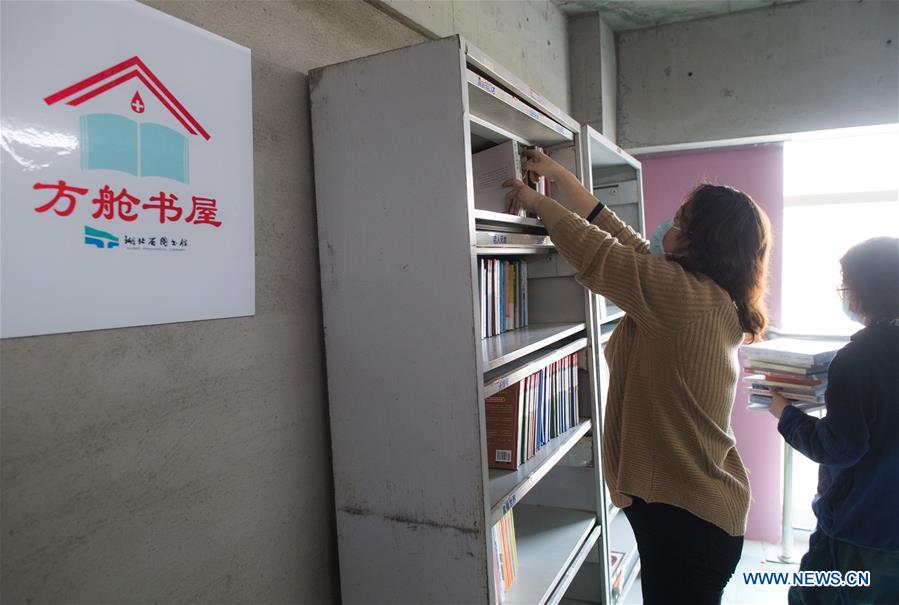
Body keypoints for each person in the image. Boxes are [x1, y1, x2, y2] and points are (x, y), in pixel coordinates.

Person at [503, 149, 772, 605]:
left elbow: (599, 252)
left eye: (681, 222)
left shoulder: (685, 298)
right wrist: (560, 177)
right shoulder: (701, 293)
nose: (669, 225)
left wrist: (538, 202)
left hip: (688, 520)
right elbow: (621, 238)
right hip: (690, 514)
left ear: (700, 242)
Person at [767, 237, 899, 605]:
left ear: (864, 291)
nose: (845, 294)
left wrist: (787, 415)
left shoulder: (857, 359)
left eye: (846, 285)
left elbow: (840, 447)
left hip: (858, 533)